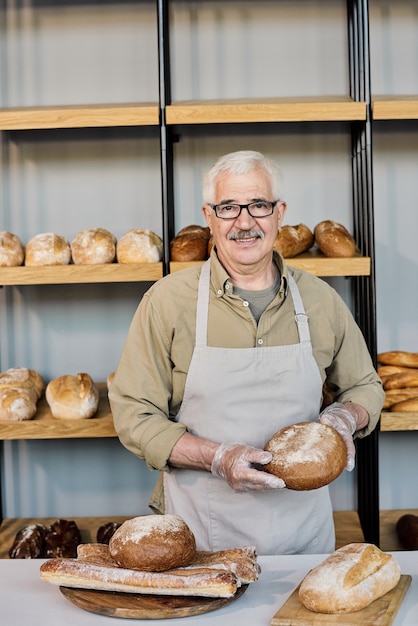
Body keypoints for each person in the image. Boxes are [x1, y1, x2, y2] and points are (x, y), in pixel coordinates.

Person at [109, 150, 384, 555]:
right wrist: (217, 457)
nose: (244, 222)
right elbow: (134, 414)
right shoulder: (167, 302)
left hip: (304, 535)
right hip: (203, 535)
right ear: (208, 215)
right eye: (228, 207)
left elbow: (365, 386)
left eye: (258, 205)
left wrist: (346, 416)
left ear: (280, 212)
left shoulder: (321, 300)